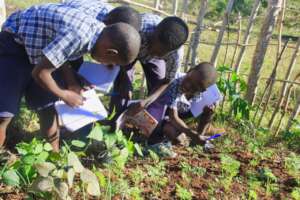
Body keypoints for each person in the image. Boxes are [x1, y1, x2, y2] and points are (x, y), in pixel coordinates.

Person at [0, 3, 141, 151]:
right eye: (111, 62)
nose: (106, 64)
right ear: (111, 52)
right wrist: (64, 94)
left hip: (40, 52)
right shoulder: (79, 36)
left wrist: (72, 81)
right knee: (4, 114)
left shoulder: (96, 35)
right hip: (15, 44)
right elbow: (40, 73)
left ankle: (53, 157)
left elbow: (60, 55)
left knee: (48, 107)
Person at [109, 14, 189, 121]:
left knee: (159, 90)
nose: (151, 52)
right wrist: (125, 79)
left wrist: (148, 100)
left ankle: (148, 125)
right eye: (151, 45)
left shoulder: (175, 55)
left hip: (154, 59)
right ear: (154, 32)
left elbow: (167, 80)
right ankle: (114, 120)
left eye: (159, 53)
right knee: (122, 89)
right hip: (129, 50)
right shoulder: (138, 28)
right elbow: (119, 53)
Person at [125, 62, 218, 145]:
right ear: (189, 71)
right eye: (189, 79)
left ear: (202, 90)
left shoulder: (203, 96)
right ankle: (156, 139)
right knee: (173, 133)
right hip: (157, 114)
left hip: (174, 115)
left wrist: (207, 116)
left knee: (208, 113)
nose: (188, 85)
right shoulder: (174, 82)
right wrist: (192, 134)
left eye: (194, 87)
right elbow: (173, 117)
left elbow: (192, 117)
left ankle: (189, 140)